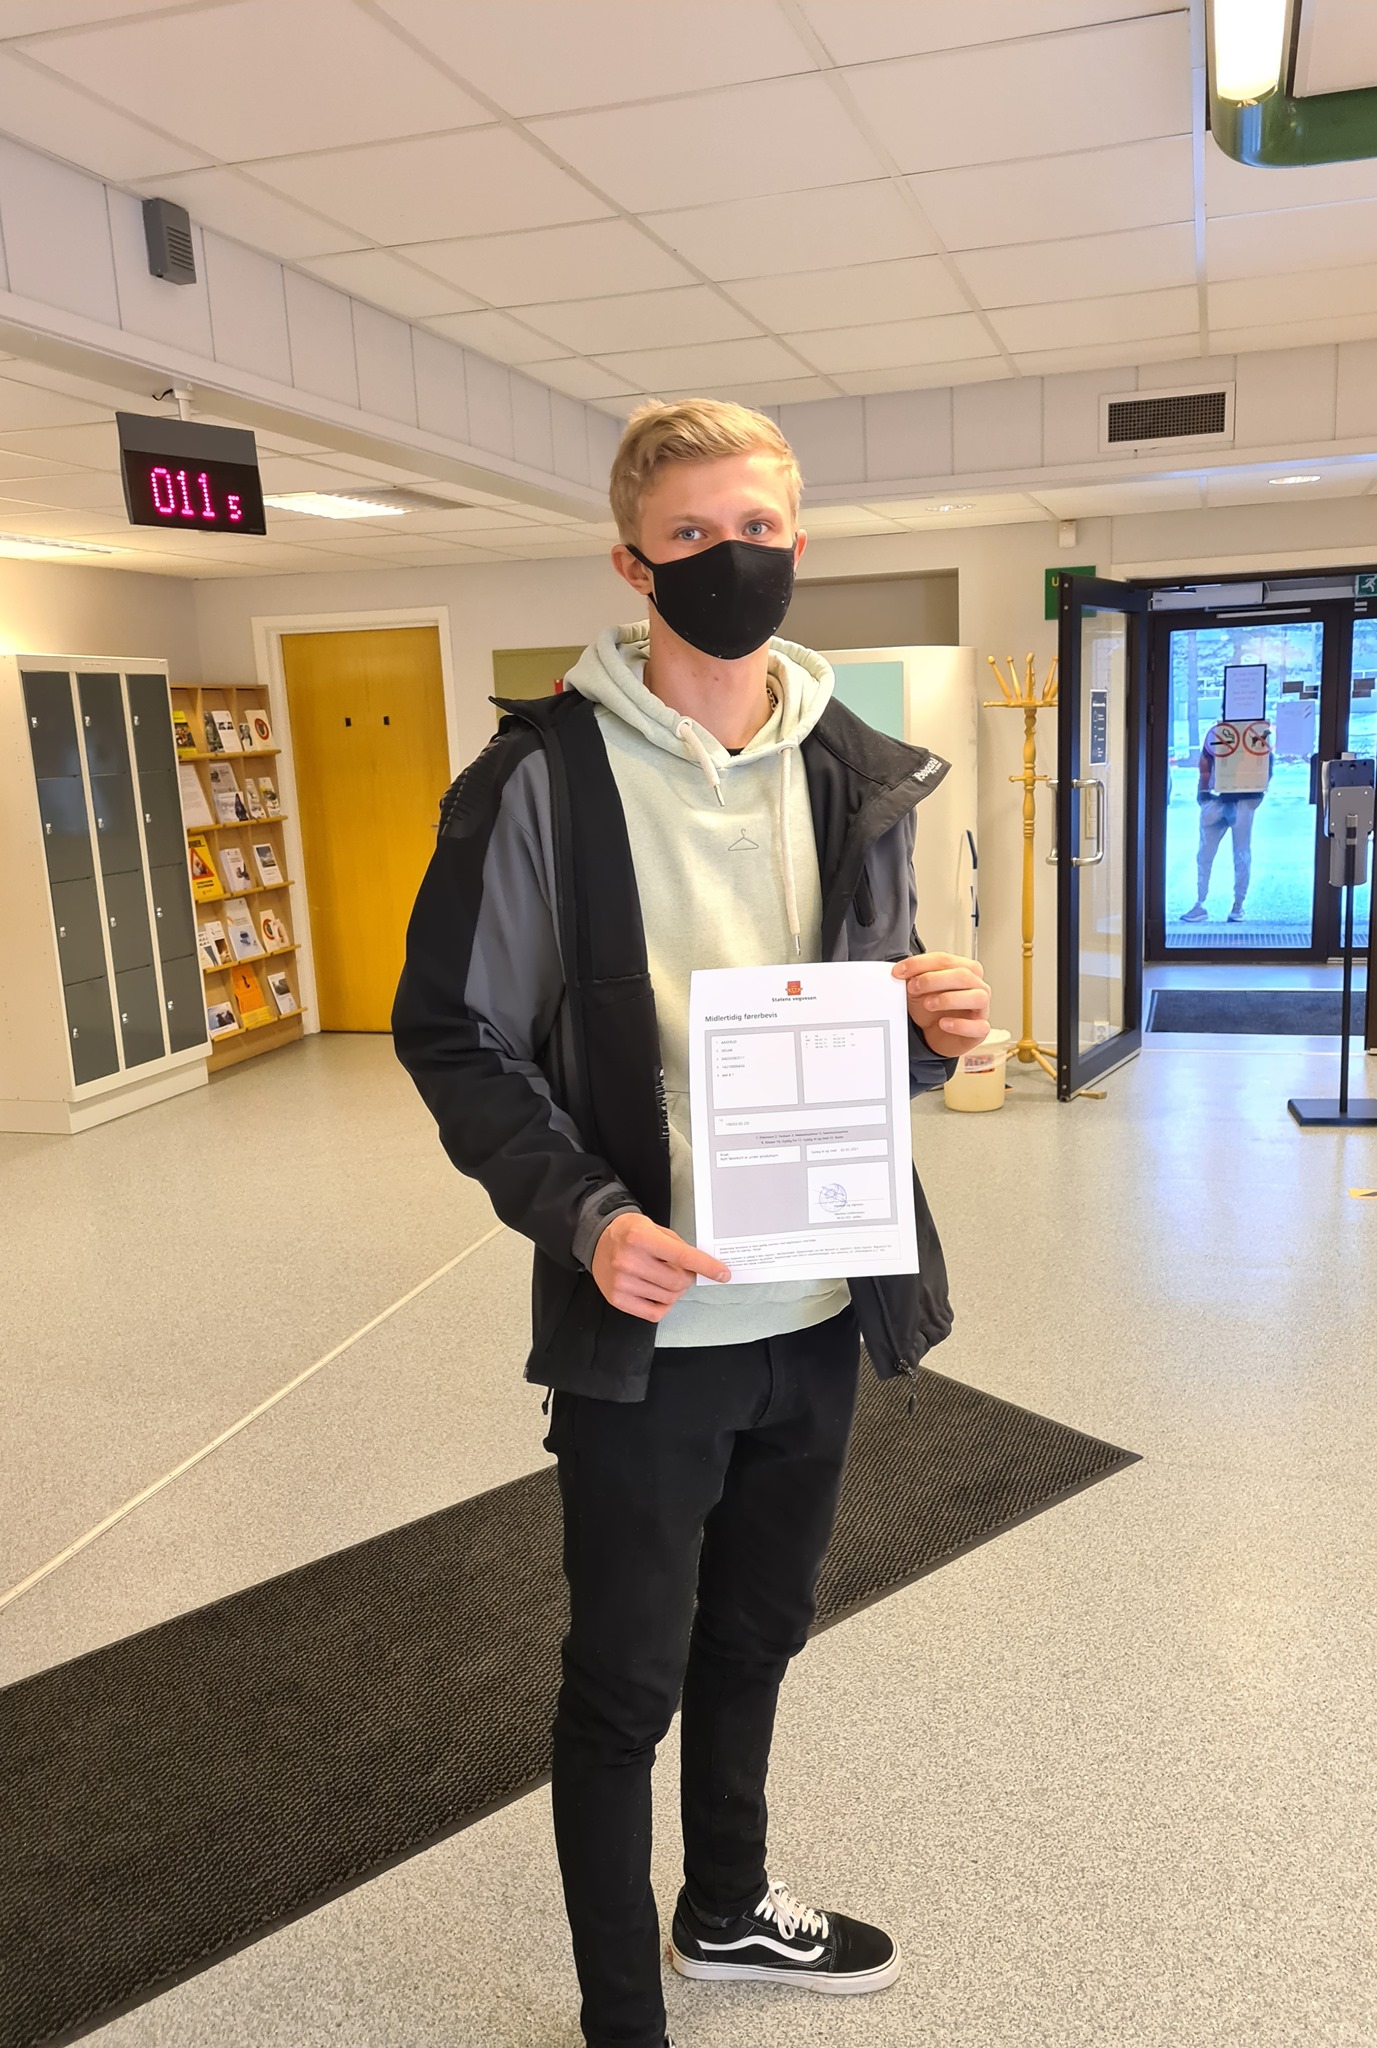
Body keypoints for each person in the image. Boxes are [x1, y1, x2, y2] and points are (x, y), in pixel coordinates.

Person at [393, 398, 991, 2048]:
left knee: (761, 1631)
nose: (736, 559)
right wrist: (587, 1219)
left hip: (815, 1311)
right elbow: (454, 1035)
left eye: (762, 529)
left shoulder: (854, 771)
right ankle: (619, 2017)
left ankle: (725, 1909)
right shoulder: (537, 783)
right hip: (649, 1330)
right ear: (631, 565)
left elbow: (856, 1038)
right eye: (695, 537)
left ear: (801, 540)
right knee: (623, 1682)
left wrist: (928, 1037)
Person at [1179, 717, 1272, 923]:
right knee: (1241, 854)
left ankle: (1200, 903)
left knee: (1205, 855)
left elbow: (1204, 766)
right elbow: (1265, 771)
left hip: (1215, 800)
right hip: (1243, 802)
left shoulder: (1217, 732)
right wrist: (1255, 799)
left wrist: (1203, 796)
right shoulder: (1257, 733)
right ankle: (1238, 906)